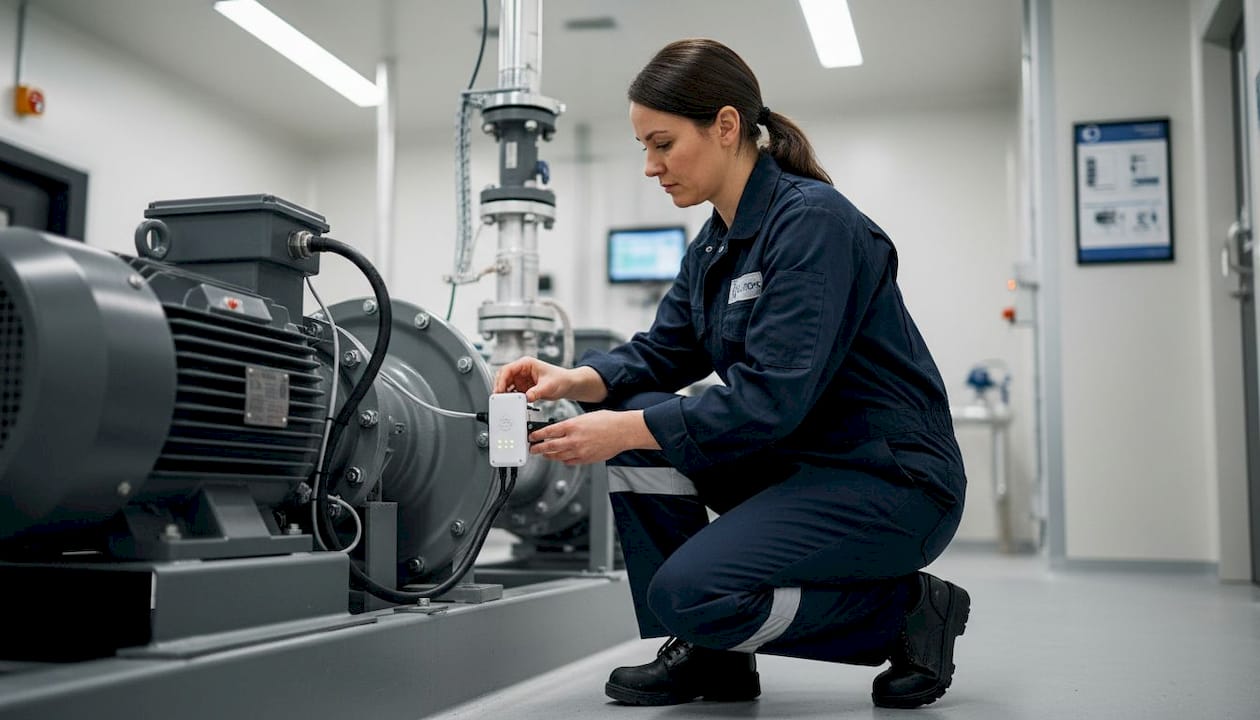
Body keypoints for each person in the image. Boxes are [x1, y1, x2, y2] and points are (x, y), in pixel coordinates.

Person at [493, 38, 970, 710]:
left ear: (724, 126)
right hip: (801, 464)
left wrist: (619, 427)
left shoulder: (812, 225)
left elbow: (770, 399)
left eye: (662, 144)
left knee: (691, 590)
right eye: (643, 149)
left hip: (888, 480)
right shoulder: (716, 242)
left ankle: (906, 611)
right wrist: (572, 379)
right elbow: (662, 353)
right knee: (640, 406)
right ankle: (712, 658)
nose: (651, 167)